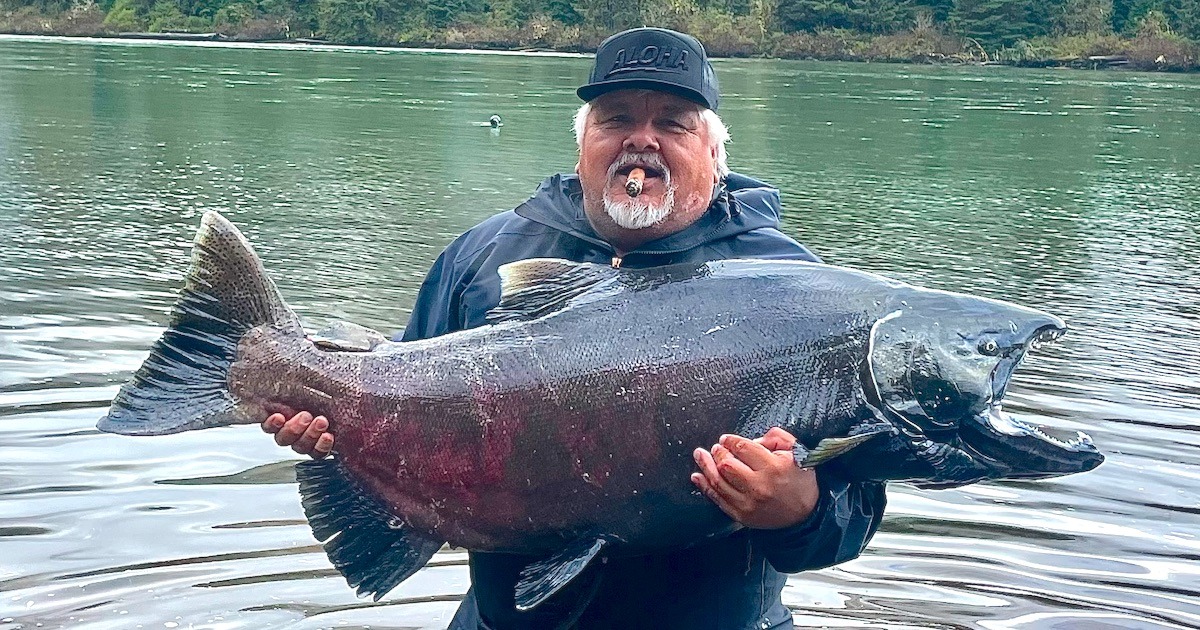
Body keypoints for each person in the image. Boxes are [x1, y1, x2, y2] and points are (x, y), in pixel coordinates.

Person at [263, 27, 887, 630]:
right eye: (616, 119)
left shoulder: (794, 288)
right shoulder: (481, 257)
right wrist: (334, 424)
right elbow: (393, 394)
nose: (641, 141)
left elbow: (852, 516)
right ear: (583, 145)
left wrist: (800, 510)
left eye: (673, 123)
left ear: (714, 154)